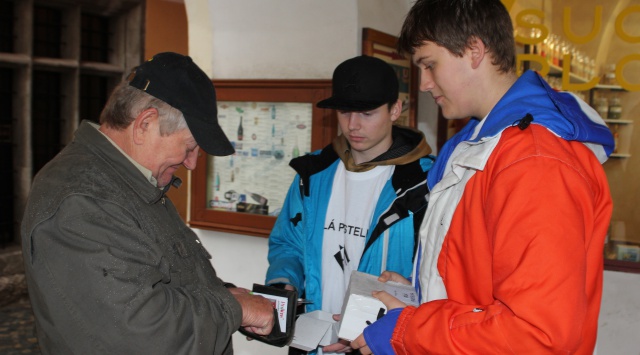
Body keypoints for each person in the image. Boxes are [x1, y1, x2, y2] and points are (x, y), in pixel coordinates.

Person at [350, 0, 615, 354]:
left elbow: (537, 335)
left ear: (475, 50)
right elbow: (481, 287)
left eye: (430, 65)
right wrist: (423, 290)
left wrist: (410, 330)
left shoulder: (535, 163)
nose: (425, 83)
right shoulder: (480, 145)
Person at [21, 52, 275, 354]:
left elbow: (162, 275)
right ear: (145, 124)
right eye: (190, 146)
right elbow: (141, 333)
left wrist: (221, 294)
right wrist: (234, 308)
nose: (192, 163)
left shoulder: (127, 180)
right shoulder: (84, 199)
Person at [265, 55, 434, 354]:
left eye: (367, 113)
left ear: (395, 109)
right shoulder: (312, 174)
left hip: (381, 344)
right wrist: (285, 284)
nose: (353, 125)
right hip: (312, 342)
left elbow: (439, 277)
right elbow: (288, 245)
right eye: (344, 112)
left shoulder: (425, 184)